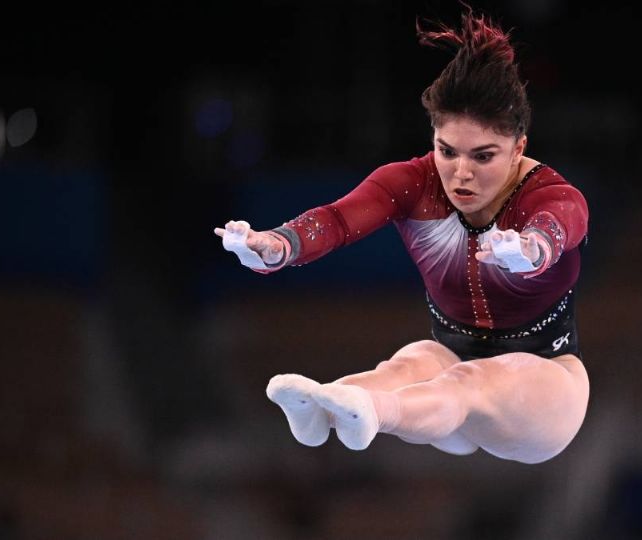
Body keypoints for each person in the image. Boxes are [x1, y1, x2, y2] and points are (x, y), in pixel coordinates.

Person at [214, 8, 589, 464]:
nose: (461, 172)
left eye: (483, 156)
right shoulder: (412, 183)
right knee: (409, 364)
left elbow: (559, 225)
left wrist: (532, 250)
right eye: (447, 151)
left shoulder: (550, 195)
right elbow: (336, 220)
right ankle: (325, 406)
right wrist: (278, 245)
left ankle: (372, 411)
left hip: (543, 390)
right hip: (448, 368)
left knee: (462, 384)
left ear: (519, 148)